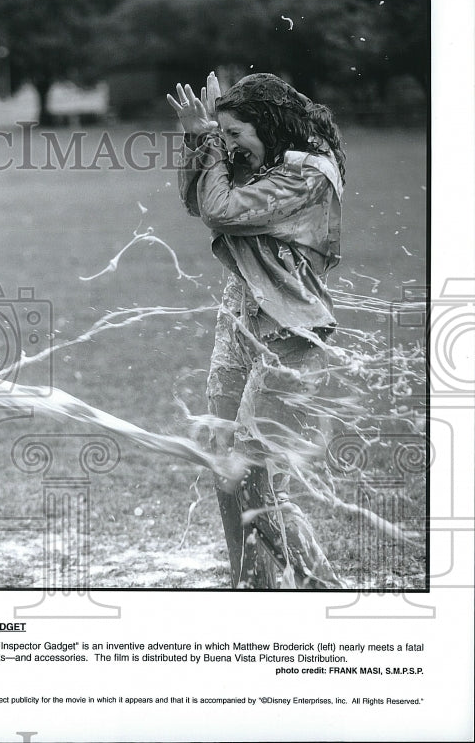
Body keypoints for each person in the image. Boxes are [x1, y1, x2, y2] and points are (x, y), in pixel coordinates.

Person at [168, 71, 347, 589]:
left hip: (289, 332)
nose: (229, 146)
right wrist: (199, 141)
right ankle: (251, 587)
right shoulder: (261, 162)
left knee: (251, 475)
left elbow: (220, 211)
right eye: (222, 137)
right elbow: (196, 200)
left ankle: (322, 589)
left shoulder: (307, 173)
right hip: (240, 320)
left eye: (234, 134)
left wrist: (206, 143)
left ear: (266, 125)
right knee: (224, 461)